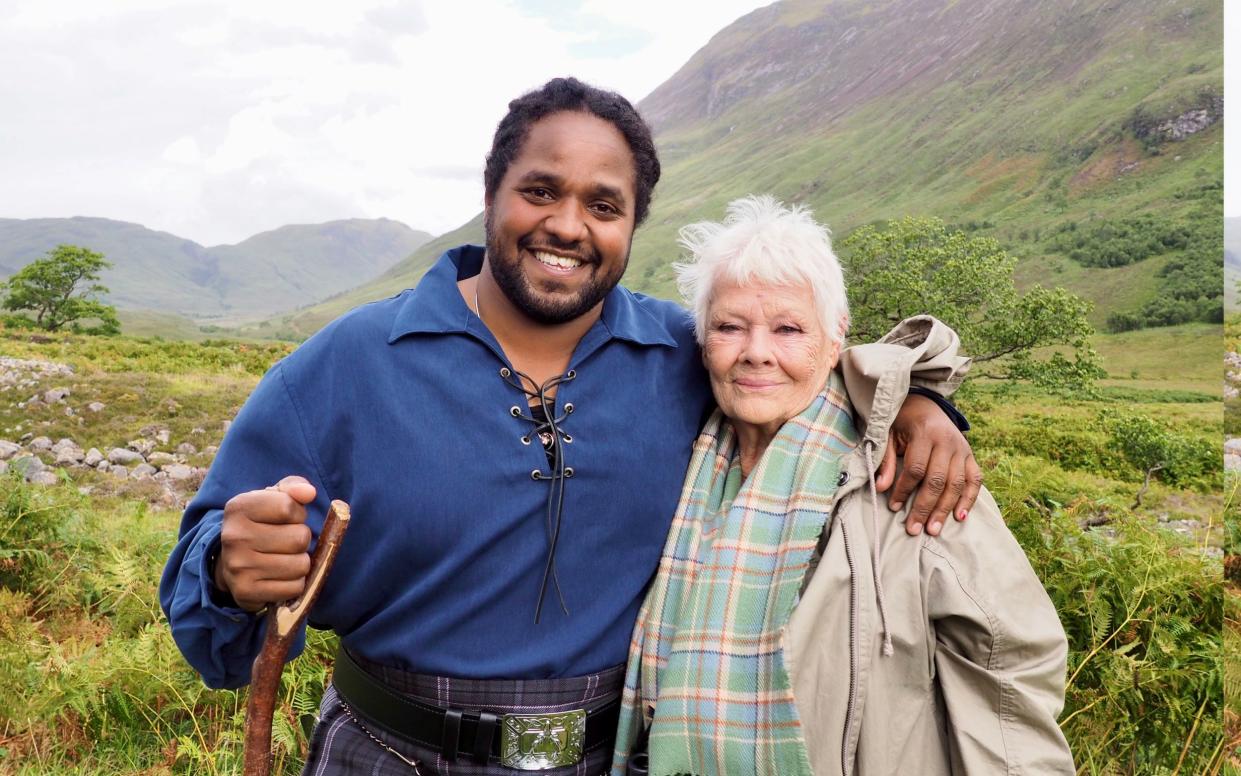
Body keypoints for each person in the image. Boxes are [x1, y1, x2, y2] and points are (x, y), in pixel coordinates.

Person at [160, 78, 981, 775]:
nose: (567, 225)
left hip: (611, 755)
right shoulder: (347, 363)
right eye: (541, 190)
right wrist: (229, 573)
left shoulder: (684, 354)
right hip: (389, 752)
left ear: (631, 226)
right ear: (490, 197)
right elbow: (210, 602)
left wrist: (917, 402)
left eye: (604, 204)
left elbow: (807, 370)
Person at [612, 196, 1074, 776]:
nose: (757, 352)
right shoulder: (681, 460)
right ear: (704, 343)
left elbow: (1010, 667)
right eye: (730, 327)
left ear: (835, 342)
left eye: (789, 329)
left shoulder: (914, 475)